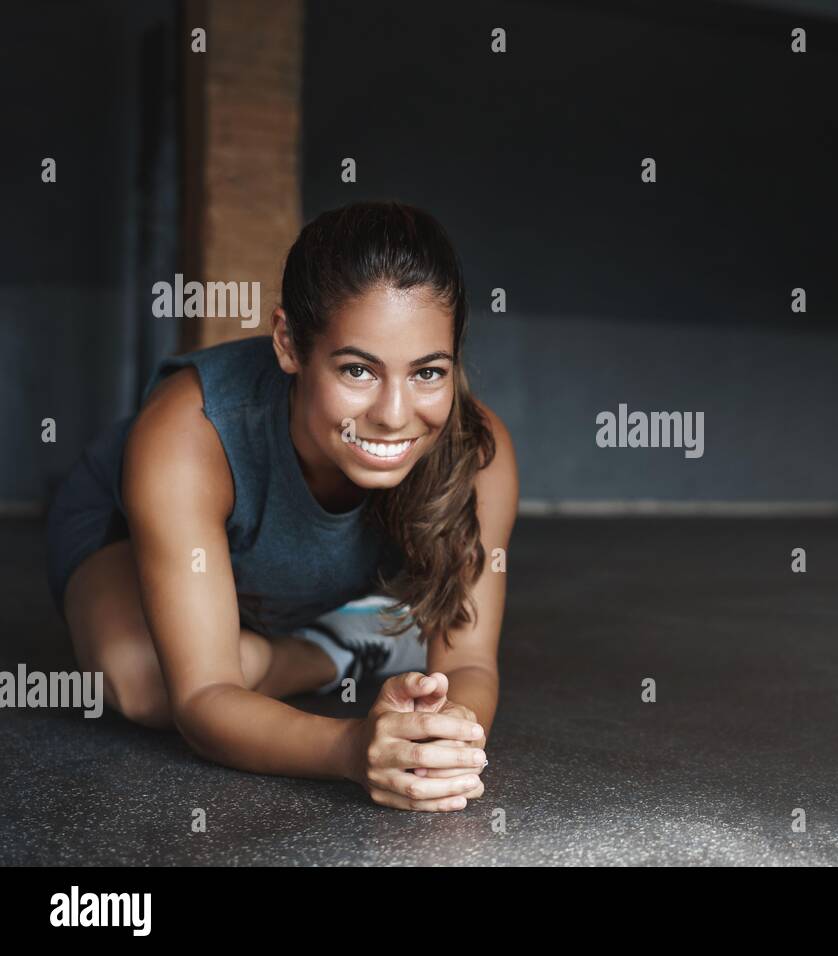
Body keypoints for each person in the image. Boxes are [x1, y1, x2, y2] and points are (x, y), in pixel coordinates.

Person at [44, 201, 519, 813]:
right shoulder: (186, 433)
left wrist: (442, 739)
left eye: (428, 373)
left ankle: (319, 636)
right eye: (357, 370)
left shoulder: (477, 451)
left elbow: (471, 663)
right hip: (126, 530)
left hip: (301, 569)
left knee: (236, 663)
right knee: (141, 680)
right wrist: (352, 747)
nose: (395, 414)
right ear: (289, 343)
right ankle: (337, 648)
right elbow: (204, 697)